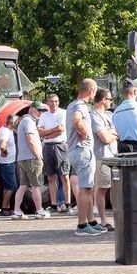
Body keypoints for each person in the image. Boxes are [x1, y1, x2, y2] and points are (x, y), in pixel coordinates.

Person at [66, 79, 104, 236]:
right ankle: (82, 225)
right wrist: (84, 132)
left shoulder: (72, 104)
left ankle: (91, 221)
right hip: (82, 151)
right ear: (91, 91)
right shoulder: (80, 105)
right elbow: (76, 120)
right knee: (86, 188)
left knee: (88, 187)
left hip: (77, 151)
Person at [12, 102, 50, 219]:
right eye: (38, 110)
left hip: (22, 158)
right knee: (36, 186)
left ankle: (17, 211)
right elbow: (31, 139)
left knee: (23, 186)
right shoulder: (29, 121)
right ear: (31, 109)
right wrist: (38, 155)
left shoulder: (23, 121)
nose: (40, 112)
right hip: (32, 158)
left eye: (42, 111)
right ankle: (39, 210)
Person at [90, 87, 118, 232]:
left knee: (115, 187)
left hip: (113, 156)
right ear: (103, 100)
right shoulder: (94, 116)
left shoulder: (108, 114)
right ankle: (103, 220)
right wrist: (111, 134)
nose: (111, 102)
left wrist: (111, 134)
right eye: (110, 99)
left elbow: (115, 132)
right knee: (102, 188)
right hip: (101, 157)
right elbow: (105, 138)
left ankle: (116, 217)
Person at [38, 93, 71, 214]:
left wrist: (47, 134)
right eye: (51, 101)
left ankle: (67, 203)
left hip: (60, 145)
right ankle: (53, 204)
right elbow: (39, 133)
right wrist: (52, 131)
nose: (54, 104)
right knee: (50, 177)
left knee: (64, 175)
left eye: (56, 101)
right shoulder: (44, 115)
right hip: (47, 146)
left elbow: (61, 130)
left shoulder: (63, 113)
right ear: (47, 103)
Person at [0, 114, 19, 217]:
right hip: (7, 163)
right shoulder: (6, 132)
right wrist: (4, 152)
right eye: (16, 122)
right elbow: (2, 145)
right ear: (13, 123)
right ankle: (4, 207)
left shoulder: (4, 128)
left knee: (6, 186)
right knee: (12, 187)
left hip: (5, 163)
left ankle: (6, 207)